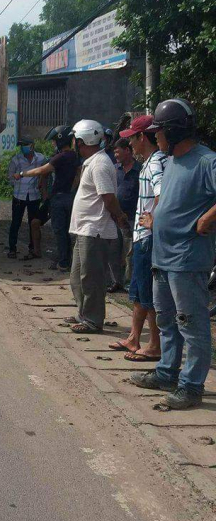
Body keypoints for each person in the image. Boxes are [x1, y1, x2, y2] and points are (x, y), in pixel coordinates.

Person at [131, 99, 216, 409]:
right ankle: (167, 372)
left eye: (159, 132)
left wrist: (207, 219)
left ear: (174, 131)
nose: (156, 137)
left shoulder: (206, 161)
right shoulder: (173, 161)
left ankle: (191, 386)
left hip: (187, 259)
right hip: (163, 257)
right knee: (167, 320)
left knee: (191, 324)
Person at [108, 116, 167, 361]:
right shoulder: (152, 161)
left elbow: (162, 194)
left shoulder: (156, 163)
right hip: (142, 236)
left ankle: (154, 345)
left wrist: (154, 220)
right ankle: (134, 338)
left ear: (142, 137)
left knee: (148, 292)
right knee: (138, 290)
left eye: (131, 138)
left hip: (149, 237)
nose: (130, 144)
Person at [67, 119, 128, 334]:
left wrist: (119, 216)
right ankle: (83, 313)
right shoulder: (91, 162)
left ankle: (93, 320)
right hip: (84, 229)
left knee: (91, 278)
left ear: (81, 141)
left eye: (74, 139)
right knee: (77, 277)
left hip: (95, 230)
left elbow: (108, 197)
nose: (72, 143)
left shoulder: (100, 164)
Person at [15, 125, 77, 271]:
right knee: (65, 231)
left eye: (54, 140)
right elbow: (78, 174)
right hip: (69, 197)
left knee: (59, 231)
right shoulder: (75, 156)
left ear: (61, 140)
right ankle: (66, 260)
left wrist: (22, 174)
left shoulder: (61, 157)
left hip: (58, 199)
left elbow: (41, 170)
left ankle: (63, 263)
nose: (53, 143)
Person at [107, 138, 141, 291]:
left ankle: (128, 283)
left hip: (132, 218)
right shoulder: (114, 169)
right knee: (113, 251)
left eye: (117, 151)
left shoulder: (139, 170)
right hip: (114, 217)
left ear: (127, 150)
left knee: (129, 252)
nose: (115, 155)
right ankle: (116, 281)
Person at [7, 137, 46, 259]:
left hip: (34, 196)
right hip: (19, 196)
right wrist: (18, 185)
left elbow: (45, 173)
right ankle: (12, 248)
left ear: (32, 146)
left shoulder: (41, 158)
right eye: (21, 146)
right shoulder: (16, 159)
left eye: (25, 145)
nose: (23, 148)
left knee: (33, 223)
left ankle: (32, 248)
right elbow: (10, 177)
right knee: (15, 223)